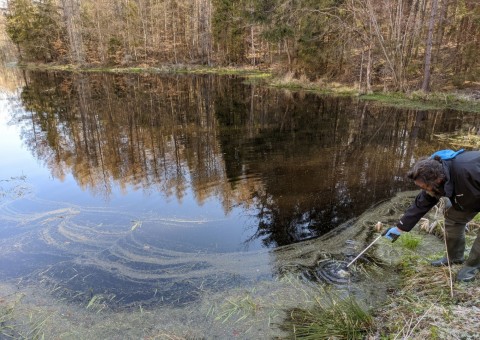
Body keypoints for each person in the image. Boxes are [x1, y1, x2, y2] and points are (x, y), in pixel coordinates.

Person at [382, 149, 480, 282]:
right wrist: (400, 228)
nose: (423, 190)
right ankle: (454, 257)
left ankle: (472, 266)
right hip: (468, 194)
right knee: (453, 219)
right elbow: (422, 203)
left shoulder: (469, 170)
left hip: (473, 186)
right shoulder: (436, 174)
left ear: (438, 180)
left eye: (425, 187)